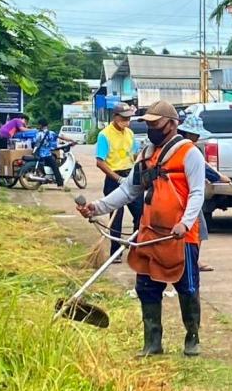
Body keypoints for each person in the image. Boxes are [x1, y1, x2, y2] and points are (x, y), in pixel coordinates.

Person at [77, 100, 219, 357]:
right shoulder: (145, 155)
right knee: (146, 287)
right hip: (150, 234)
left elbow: (197, 193)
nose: (151, 128)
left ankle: (192, 338)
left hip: (181, 235)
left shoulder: (190, 153)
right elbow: (128, 191)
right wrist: (97, 208)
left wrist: (185, 223)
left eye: (156, 123)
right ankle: (152, 344)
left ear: (173, 124)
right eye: (149, 124)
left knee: (186, 286)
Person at [177, 110, 230, 272]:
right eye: (195, 135)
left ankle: (189, 260)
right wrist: (220, 178)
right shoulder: (189, 150)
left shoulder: (179, 146)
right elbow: (206, 170)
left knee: (193, 230)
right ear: (188, 133)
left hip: (181, 194)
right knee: (199, 229)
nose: (198, 138)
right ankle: (193, 261)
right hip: (189, 196)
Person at [96, 102, 142, 263]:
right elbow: (100, 162)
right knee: (116, 217)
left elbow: (134, 155)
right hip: (114, 177)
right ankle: (116, 252)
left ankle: (136, 247)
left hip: (130, 176)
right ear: (115, 117)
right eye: (123, 118)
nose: (126, 121)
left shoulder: (130, 133)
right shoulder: (105, 135)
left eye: (129, 118)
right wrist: (117, 179)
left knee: (141, 214)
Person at [34, 119, 74, 189]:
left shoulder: (38, 134)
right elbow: (61, 137)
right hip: (46, 155)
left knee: (53, 159)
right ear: (47, 125)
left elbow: (34, 142)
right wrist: (71, 140)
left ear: (40, 125)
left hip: (39, 155)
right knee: (55, 167)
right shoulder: (51, 133)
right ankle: (60, 185)